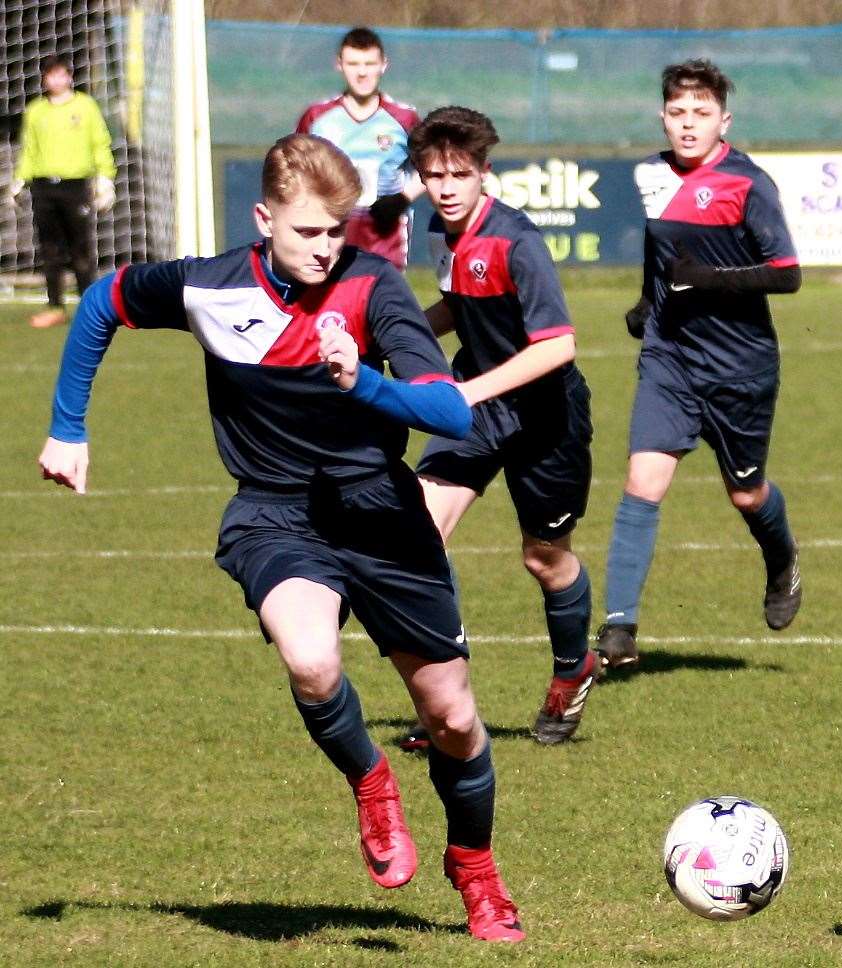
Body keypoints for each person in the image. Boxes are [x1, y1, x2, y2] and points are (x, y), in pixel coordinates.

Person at [37, 134, 525, 943]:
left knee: (453, 719)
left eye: (338, 230)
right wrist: (67, 426)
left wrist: (361, 378)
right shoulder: (207, 285)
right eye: (308, 232)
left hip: (381, 516)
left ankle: (474, 867)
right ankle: (371, 781)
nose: (326, 248)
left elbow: (450, 411)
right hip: (276, 513)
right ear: (265, 219)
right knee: (310, 657)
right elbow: (102, 301)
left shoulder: (373, 288)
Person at [400, 106, 599, 748]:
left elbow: (557, 346)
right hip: (480, 411)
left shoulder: (516, 242)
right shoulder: (436, 230)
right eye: (434, 175)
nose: (447, 187)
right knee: (419, 533)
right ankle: (449, 708)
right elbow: (460, 305)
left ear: (486, 172)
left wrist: (467, 391)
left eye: (460, 174)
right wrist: (389, 334)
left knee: (544, 560)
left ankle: (573, 673)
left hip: (546, 416)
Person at [596, 59, 803, 669]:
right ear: (663, 117)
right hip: (670, 357)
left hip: (740, 366)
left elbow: (788, 275)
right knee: (642, 481)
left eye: (702, 114)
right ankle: (618, 628)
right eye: (679, 113)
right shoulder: (651, 175)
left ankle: (782, 558)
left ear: (724, 120)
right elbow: (662, 250)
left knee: (745, 494)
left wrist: (707, 280)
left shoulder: (748, 183)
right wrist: (644, 301)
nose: (689, 125)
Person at [296, 27, 423, 270]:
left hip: (385, 240)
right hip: (329, 236)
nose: (362, 73)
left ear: (383, 65)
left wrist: (402, 198)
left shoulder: (404, 118)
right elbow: (294, 170)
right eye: (353, 64)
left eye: (369, 63)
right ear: (339, 64)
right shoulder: (316, 117)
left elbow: (431, 169)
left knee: (382, 305)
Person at [9, 53, 116, 329]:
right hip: (44, 187)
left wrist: (105, 178)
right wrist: (19, 181)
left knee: (81, 249)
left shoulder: (86, 106)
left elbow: (100, 143)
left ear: (69, 76)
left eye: (61, 74)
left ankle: (89, 306)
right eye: (50, 75)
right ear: (44, 79)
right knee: (49, 250)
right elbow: (29, 150)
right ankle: (55, 306)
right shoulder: (35, 111)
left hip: (75, 186)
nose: (56, 79)